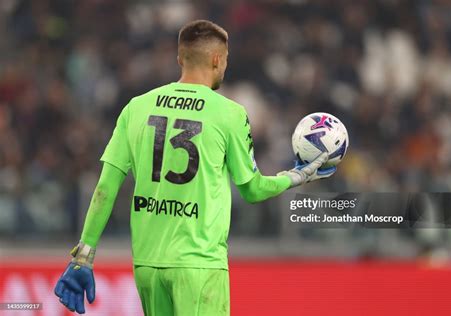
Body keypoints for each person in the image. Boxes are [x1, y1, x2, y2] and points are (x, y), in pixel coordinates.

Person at [54, 20, 336, 315]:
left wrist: (83, 256)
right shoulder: (229, 113)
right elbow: (252, 189)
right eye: (225, 60)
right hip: (199, 265)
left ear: (180, 58)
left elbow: (104, 189)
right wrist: (294, 177)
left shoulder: (136, 107)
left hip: (148, 266)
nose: (225, 67)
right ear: (217, 59)